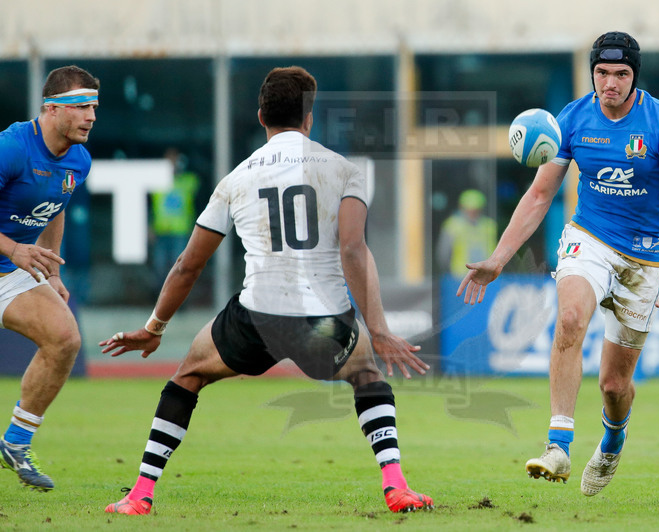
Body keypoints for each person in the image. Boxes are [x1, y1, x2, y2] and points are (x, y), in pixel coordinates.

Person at [101, 66, 434, 515]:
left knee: (187, 377)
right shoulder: (344, 171)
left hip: (257, 316)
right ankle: (395, 485)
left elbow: (187, 265)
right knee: (367, 376)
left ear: (261, 117)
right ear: (310, 118)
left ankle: (140, 493)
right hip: (324, 318)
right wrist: (377, 327)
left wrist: (154, 326)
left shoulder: (236, 179)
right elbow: (353, 249)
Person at [457, 31, 659, 496]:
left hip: (645, 258)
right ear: (593, 73)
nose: (611, 82)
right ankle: (558, 445)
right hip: (588, 238)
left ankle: (612, 440)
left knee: (614, 384)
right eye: (603, 73)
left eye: (621, 74)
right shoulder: (572, 119)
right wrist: (497, 259)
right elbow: (540, 194)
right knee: (569, 319)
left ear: (635, 77)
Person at [0, 65, 100, 491]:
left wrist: (53, 271)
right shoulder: (11, 148)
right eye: (81, 106)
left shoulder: (79, 159)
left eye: (94, 106)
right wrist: (14, 248)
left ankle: (15, 443)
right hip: (10, 255)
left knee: (65, 339)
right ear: (51, 109)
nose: (91, 116)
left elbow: (56, 208)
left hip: (11, 270)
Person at [150, 148, 200, 288]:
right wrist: (150, 226)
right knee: (159, 267)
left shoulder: (188, 180)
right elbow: (151, 206)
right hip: (161, 231)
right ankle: (160, 296)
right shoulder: (156, 182)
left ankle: (179, 298)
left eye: (174, 161)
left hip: (180, 231)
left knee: (180, 267)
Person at [436, 189, 497, 277]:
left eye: (476, 210)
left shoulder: (489, 225)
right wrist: (448, 273)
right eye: (470, 210)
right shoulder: (452, 225)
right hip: (459, 276)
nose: (472, 213)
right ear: (462, 208)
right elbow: (443, 254)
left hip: (486, 276)